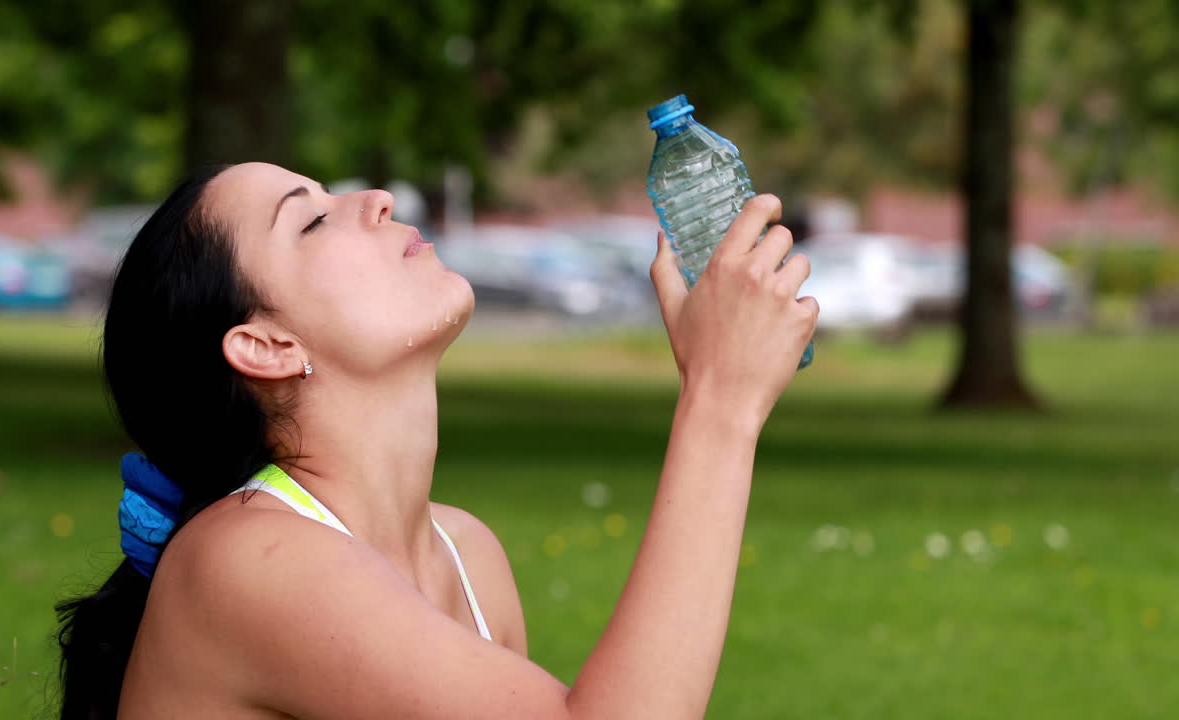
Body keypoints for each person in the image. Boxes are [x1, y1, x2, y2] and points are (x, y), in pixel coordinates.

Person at [56, 162, 818, 719]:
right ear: (267, 346)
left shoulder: (467, 554)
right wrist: (721, 397)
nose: (377, 199)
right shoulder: (245, 559)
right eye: (311, 220)